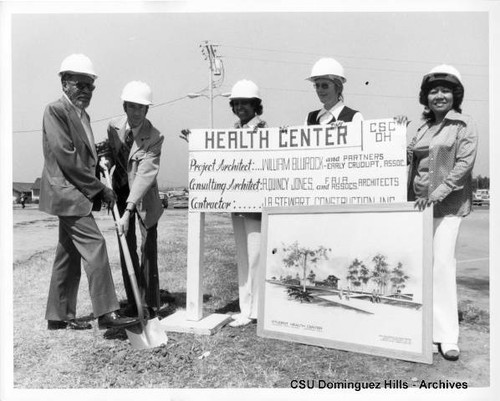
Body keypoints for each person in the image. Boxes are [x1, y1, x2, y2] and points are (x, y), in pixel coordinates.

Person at [39, 54, 139, 331]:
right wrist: (99, 189)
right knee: (95, 246)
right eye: (80, 84)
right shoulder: (55, 110)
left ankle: (58, 316)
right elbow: (66, 157)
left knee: (68, 254)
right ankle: (106, 313)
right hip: (68, 194)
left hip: (75, 194)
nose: (86, 91)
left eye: (90, 86)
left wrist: (101, 155)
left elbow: (83, 154)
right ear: (64, 83)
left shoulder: (83, 114)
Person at [398, 64, 478, 361]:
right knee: (421, 267)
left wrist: (435, 195)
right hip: (416, 206)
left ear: (455, 95)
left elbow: (463, 167)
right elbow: (405, 157)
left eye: (445, 90)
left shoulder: (464, 124)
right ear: (426, 96)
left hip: (446, 206)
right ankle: (425, 331)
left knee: (442, 266)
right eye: (434, 91)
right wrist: (394, 131)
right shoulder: (421, 127)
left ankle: (447, 337)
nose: (439, 96)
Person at [105, 81, 164, 319]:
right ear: (125, 106)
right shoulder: (113, 127)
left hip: (143, 199)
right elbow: (109, 153)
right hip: (118, 196)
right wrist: (106, 162)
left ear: (147, 110)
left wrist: (129, 210)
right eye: (132, 107)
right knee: (125, 248)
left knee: (147, 248)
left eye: (142, 107)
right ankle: (134, 301)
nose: (137, 112)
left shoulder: (155, 137)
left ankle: (149, 303)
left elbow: (145, 174)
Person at [227, 79, 267, 327]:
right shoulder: (234, 131)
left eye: (245, 103)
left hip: (256, 203)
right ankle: (246, 307)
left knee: (256, 256)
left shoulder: (263, 130)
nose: (240, 107)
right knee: (243, 255)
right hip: (237, 199)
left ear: (255, 105)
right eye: (236, 103)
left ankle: (255, 310)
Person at [305, 57, 363, 125]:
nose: (320, 90)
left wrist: (346, 129)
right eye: (317, 86)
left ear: (338, 87)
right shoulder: (310, 118)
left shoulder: (354, 117)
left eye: (325, 85)